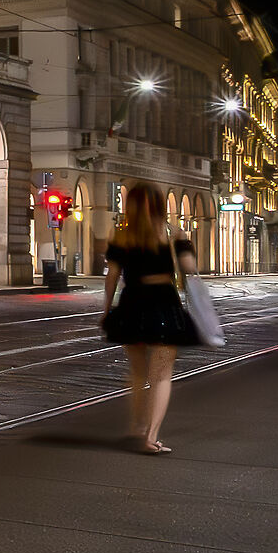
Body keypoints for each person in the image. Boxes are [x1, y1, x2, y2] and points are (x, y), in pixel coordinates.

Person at [100, 183, 197, 454]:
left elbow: (111, 277)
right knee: (161, 375)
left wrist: (106, 310)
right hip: (164, 304)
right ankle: (151, 437)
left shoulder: (121, 234)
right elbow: (190, 269)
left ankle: (138, 424)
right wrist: (186, 245)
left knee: (138, 372)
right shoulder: (172, 232)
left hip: (133, 305)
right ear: (159, 205)